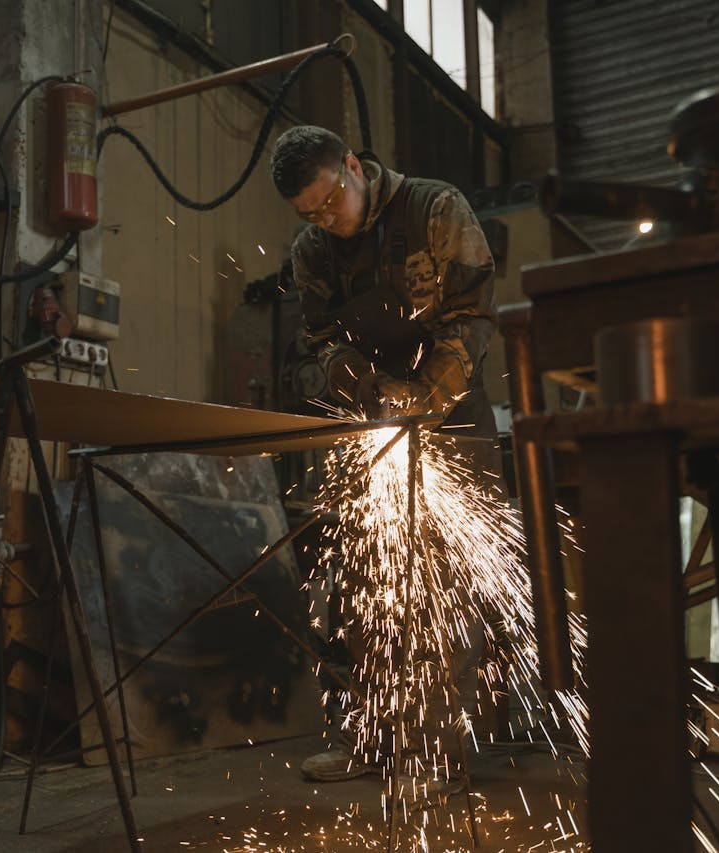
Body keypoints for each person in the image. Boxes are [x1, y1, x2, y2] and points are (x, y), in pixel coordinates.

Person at [268, 125, 497, 795]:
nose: (325, 220)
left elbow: (474, 315)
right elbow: (317, 343)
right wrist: (363, 387)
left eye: (330, 202)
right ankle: (373, 738)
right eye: (309, 213)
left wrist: (423, 398)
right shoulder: (313, 249)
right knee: (369, 589)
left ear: (353, 166)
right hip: (373, 422)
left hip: (451, 416)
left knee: (443, 594)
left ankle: (439, 753)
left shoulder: (434, 208)